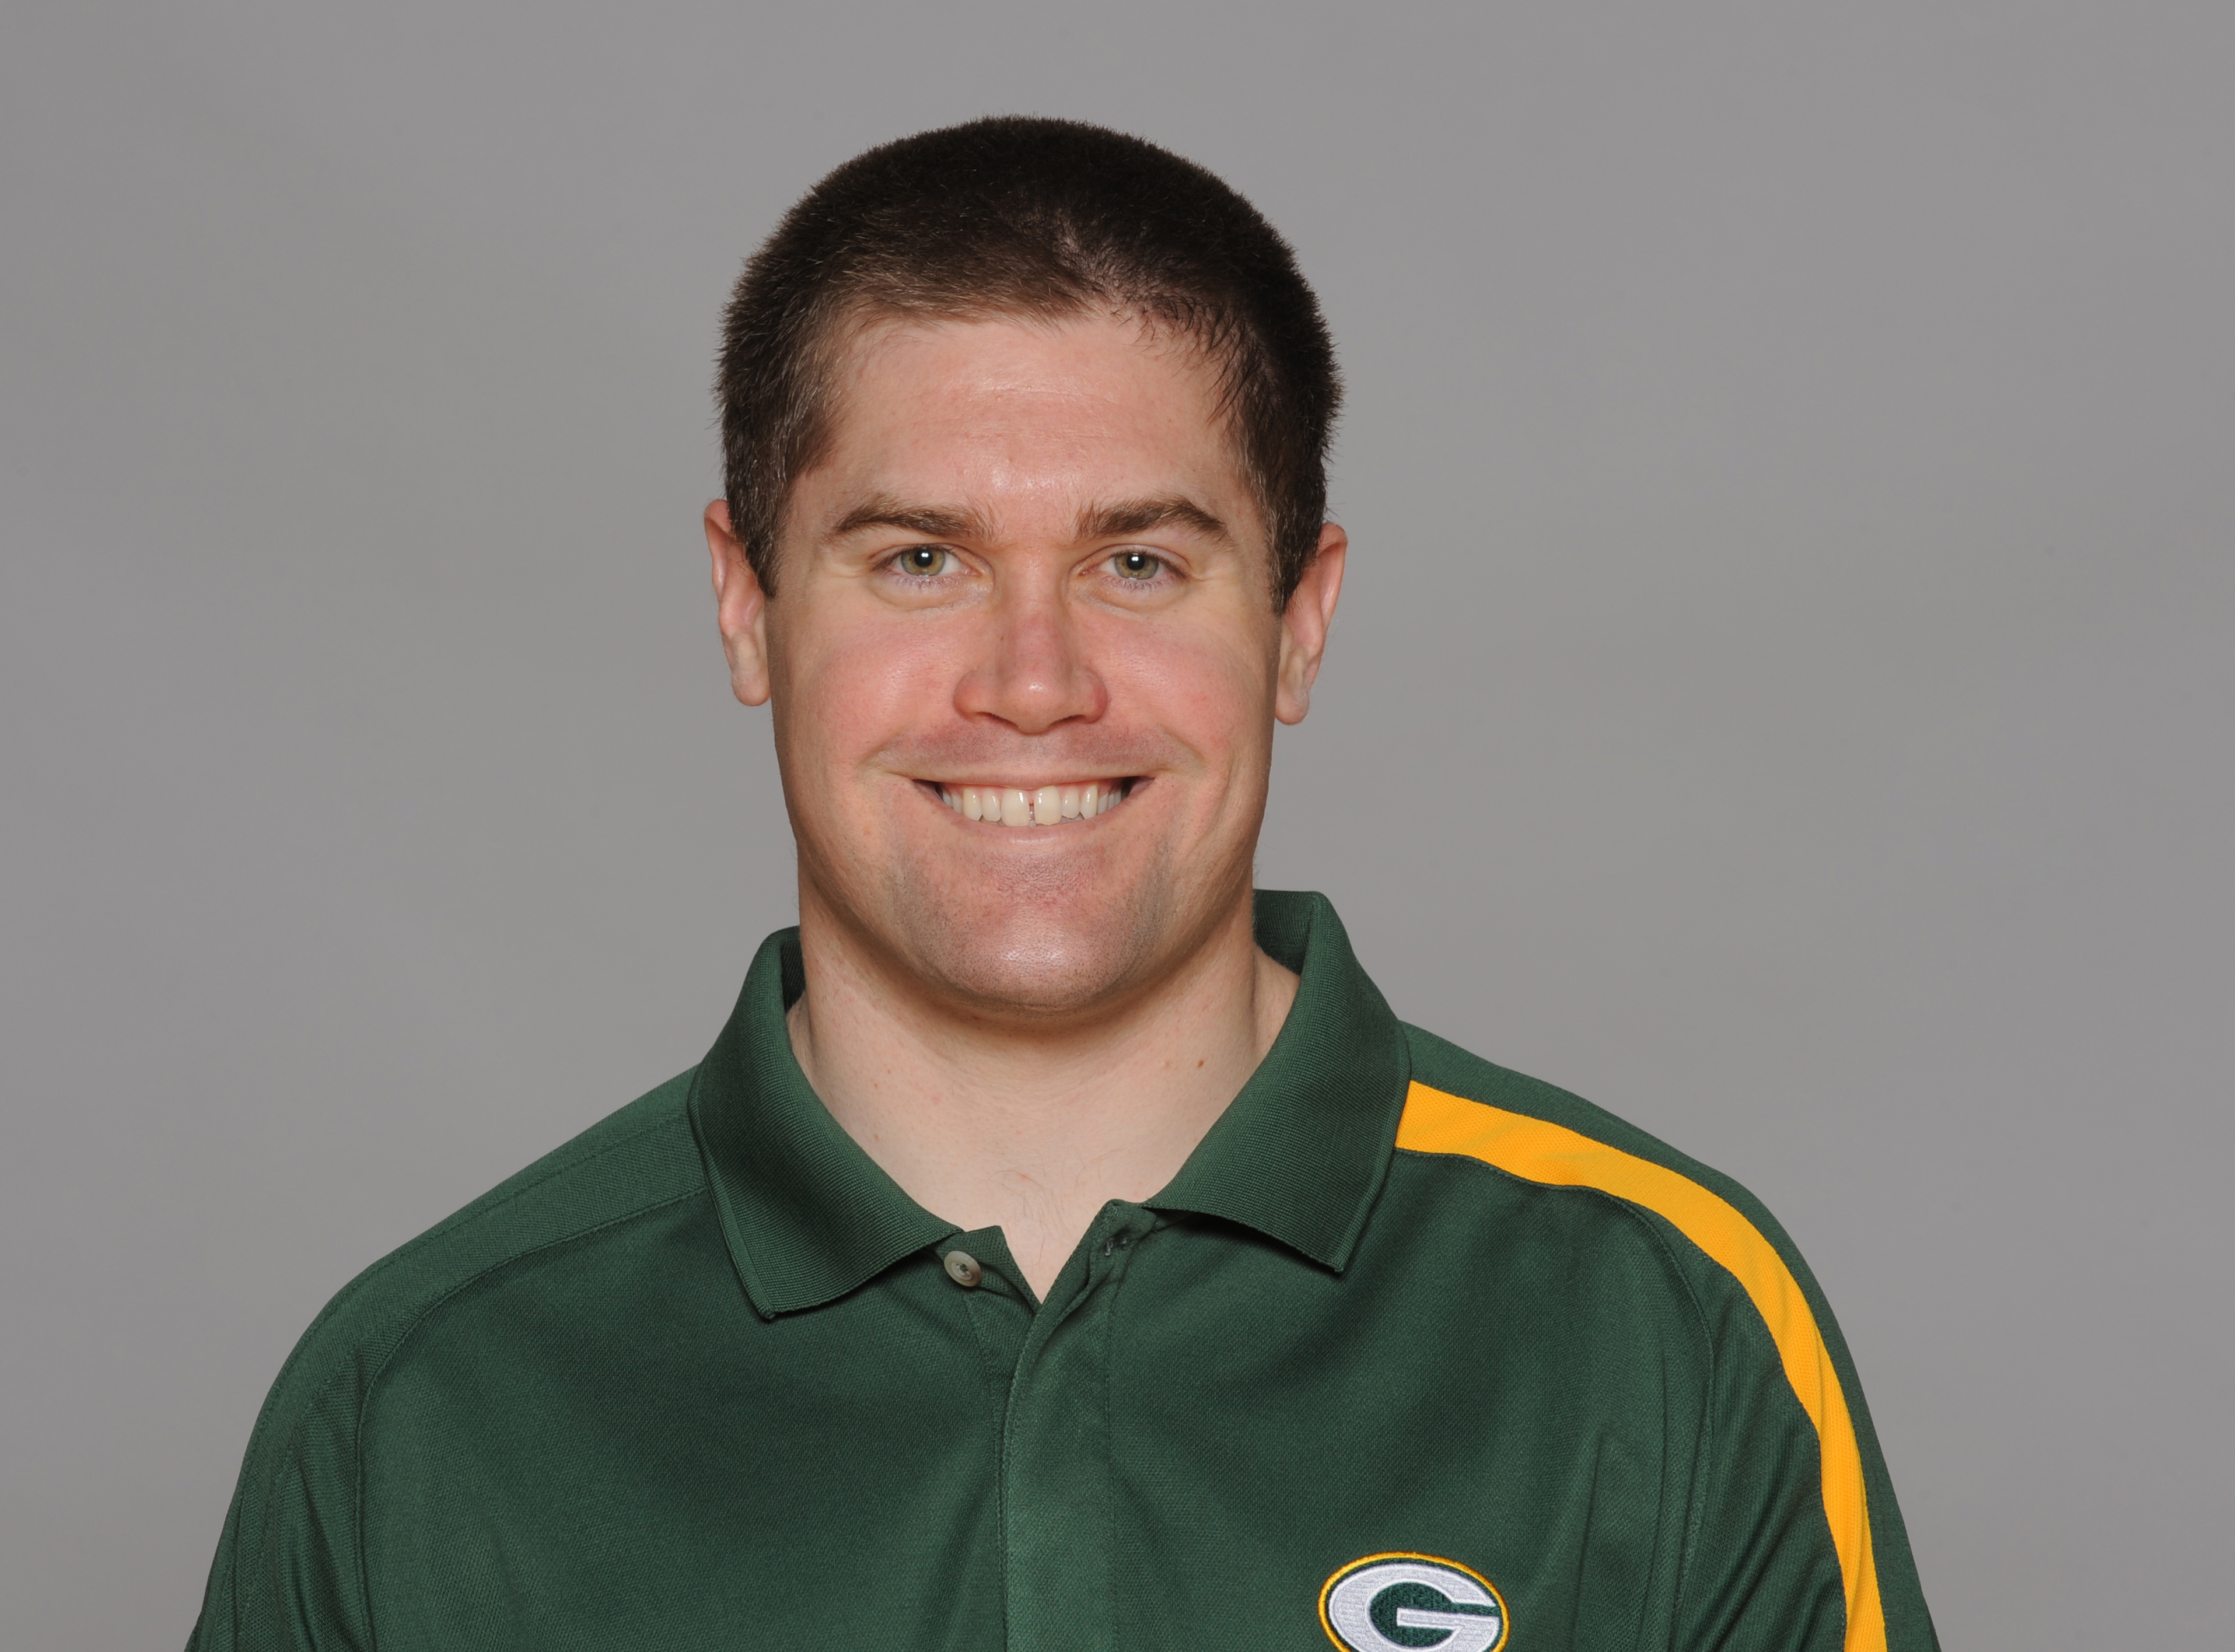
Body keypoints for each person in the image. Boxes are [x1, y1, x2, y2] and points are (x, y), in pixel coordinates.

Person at [187, 117, 1936, 1652]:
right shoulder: (421, 1405)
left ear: (1299, 620)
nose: (1034, 683)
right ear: (747, 605)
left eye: (1141, 562)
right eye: (920, 558)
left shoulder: (1666, 1324)